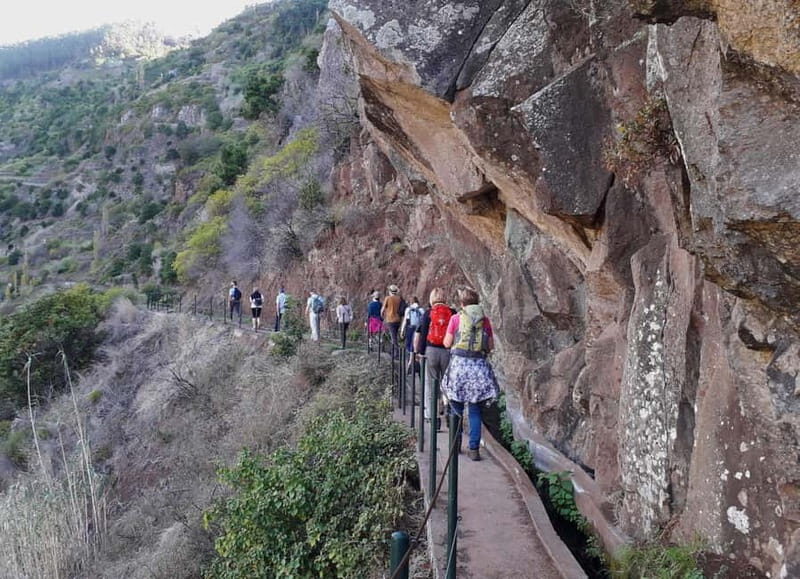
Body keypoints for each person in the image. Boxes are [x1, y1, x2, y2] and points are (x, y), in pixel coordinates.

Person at [442, 287, 499, 461]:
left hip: (459, 368)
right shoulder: (485, 321)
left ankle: (455, 445)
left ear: (462, 303)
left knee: (456, 408)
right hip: (479, 369)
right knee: (475, 411)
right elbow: (490, 346)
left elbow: (447, 343)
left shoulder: (456, 318)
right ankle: (474, 449)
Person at [413, 288, 455, 427]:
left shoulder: (428, 313)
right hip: (448, 351)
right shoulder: (453, 313)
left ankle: (434, 419)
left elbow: (423, 333)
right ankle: (450, 414)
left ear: (432, 299)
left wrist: (420, 352)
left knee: (432, 386)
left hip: (431, 351)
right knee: (448, 385)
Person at [400, 296, 423, 372]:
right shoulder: (421, 309)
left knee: (410, 345)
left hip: (410, 328)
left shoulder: (408, 309)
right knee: (416, 345)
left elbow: (405, 321)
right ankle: (417, 363)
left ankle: (410, 362)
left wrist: (402, 331)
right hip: (418, 329)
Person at [381, 284, 403, 353]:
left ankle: (396, 353)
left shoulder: (388, 298)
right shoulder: (399, 298)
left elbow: (382, 310)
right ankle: (392, 350)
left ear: (390, 291)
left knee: (393, 337)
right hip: (398, 320)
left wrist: (382, 316)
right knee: (394, 335)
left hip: (390, 319)